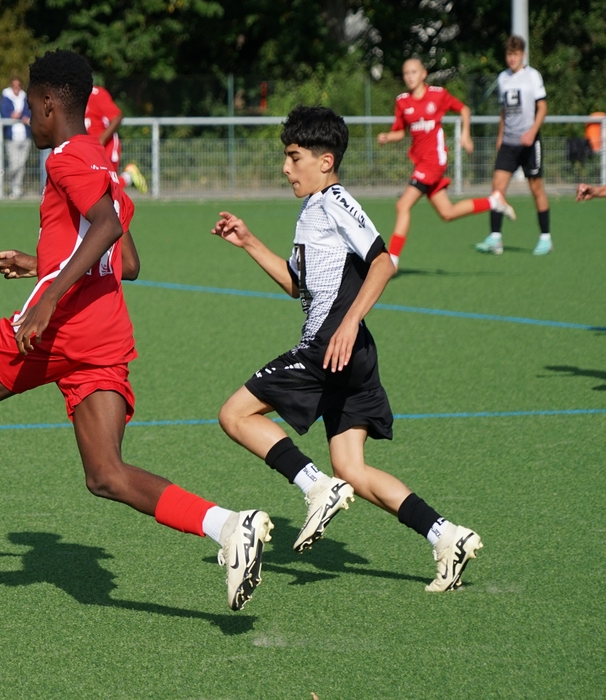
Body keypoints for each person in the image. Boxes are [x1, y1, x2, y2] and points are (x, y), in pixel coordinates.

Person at [0, 49, 273, 612]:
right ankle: (228, 526)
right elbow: (127, 262)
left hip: (61, 328)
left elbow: (105, 227)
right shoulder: (100, 159)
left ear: (50, 103)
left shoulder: (65, 159)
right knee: (106, 474)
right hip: (105, 332)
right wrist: (42, 264)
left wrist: (49, 296)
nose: (29, 119)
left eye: (32, 108)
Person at [211, 105, 482, 592]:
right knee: (351, 468)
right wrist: (249, 241)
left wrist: (350, 322)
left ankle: (314, 486)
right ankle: (446, 536)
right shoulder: (312, 208)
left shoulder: (334, 200)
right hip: (351, 356)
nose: (285, 168)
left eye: (294, 157)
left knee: (234, 415)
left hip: (328, 346)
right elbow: (296, 284)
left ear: (326, 161)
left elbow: (383, 262)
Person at [378, 58, 515, 269]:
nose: (410, 76)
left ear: (424, 74)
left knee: (402, 205)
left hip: (434, 161)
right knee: (447, 213)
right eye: (406, 73)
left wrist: (465, 135)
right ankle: (494, 202)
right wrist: (388, 136)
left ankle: (392, 261)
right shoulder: (402, 101)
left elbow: (464, 110)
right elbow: (399, 132)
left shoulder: (437, 94)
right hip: (421, 162)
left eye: (414, 72)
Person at [476, 35, 551, 256]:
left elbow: (542, 107)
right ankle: (495, 238)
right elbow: (504, 111)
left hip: (529, 142)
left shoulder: (533, 76)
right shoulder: (502, 78)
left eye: (516, 54)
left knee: (536, 188)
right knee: (497, 189)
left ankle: (545, 238)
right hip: (508, 142)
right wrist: (500, 136)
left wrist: (532, 132)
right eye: (509, 54)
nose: (512, 58)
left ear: (523, 55)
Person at [85, 84, 148, 194]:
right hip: (87, 149)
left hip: (106, 147)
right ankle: (128, 177)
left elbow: (117, 116)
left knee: (108, 189)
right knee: (92, 188)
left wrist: (102, 139)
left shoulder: (96, 94)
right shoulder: (69, 96)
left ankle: (128, 177)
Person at [0, 77, 32, 199]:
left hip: (25, 136)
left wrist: (21, 116)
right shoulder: (6, 97)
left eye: (18, 86)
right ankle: (10, 184)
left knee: (21, 165)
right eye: (14, 86)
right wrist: (14, 116)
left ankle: (17, 189)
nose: (16, 88)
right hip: (12, 137)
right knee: (14, 164)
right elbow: (5, 113)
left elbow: (29, 112)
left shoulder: (25, 98)